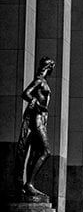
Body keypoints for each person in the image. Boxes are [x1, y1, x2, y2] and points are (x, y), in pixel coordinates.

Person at [15, 57, 55, 197]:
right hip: (37, 118)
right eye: (52, 67)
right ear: (49, 67)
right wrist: (35, 102)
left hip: (41, 118)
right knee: (46, 151)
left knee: (35, 153)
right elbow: (25, 93)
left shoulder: (43, 81)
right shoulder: (39, 81)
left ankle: (30, 184)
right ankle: (29, 183)